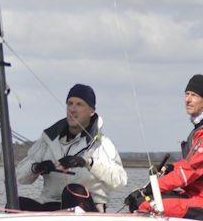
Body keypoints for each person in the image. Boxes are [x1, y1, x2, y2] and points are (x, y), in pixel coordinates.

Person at [126, 74, 203, 221]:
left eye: (194, 95)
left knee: (146, 204)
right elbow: (189, 165)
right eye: (186, 94)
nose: (188, 100)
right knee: (141, 199)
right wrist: (172, 168)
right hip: (196, 195)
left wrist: (154, 187)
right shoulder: (202, 128)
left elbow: (188, 172)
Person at [16, 84, 127, 212]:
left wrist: (87, 163)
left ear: (91, 111)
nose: (72, 109)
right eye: (70, 103)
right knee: (15, 203)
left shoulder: (102, 144)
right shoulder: (47, 140)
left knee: (74, 190)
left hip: (87, 208)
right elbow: (19, 177)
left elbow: (120, 181)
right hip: (50, 205)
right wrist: (36, 168)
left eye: (79, 104)